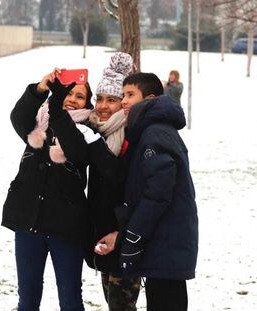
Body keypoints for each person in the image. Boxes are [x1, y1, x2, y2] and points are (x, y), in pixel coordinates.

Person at [2, 68, 99, 311]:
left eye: (79, 96)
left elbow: (77, 151)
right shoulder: (37, 124)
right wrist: (40, 88)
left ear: (87, 103)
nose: (72, 99)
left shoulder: (89, 131)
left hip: (65, 229)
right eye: (67, 93)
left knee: (70, 300)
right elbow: (17, 116)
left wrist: (56, 107)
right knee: (28, 297)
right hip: (28, 223)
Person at [119, 72, 198, 311]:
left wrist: (134, 235)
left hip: (166, 242)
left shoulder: (155, 134)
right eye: (123, 94)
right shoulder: (153, 130)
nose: (123, 101)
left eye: (130, 95)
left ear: (150, 99)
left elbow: (157, 194)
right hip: (164, 243)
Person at [84, 52, 141, 311]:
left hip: (125, 237)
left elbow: (120, 179)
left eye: (112, 100)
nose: (103, 106)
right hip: (102, 235)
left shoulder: (131, 133)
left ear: (124, 104)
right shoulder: (98, 129)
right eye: (99, 98)